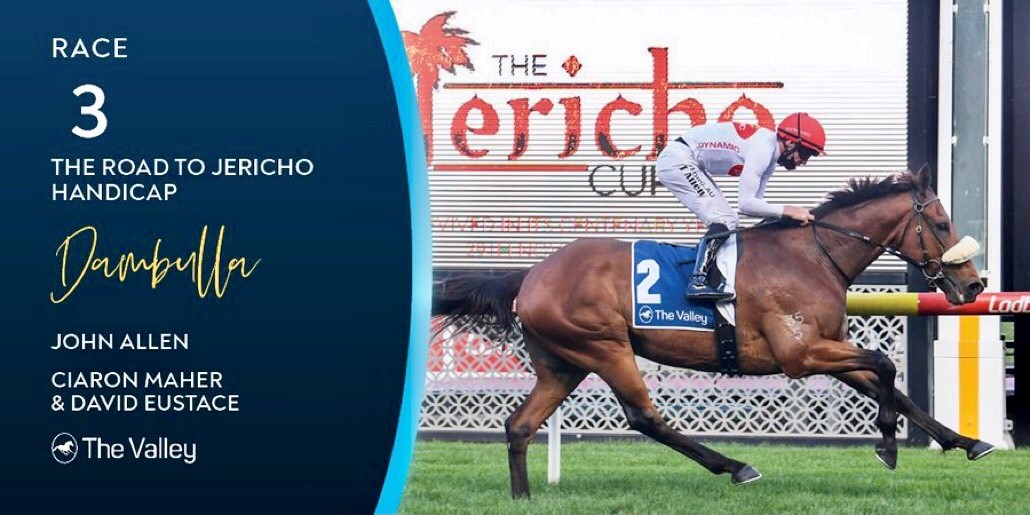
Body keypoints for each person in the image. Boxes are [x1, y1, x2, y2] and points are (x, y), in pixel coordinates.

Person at [656, 113, 825, 302]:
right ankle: (697, 281)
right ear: (790, 143)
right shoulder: (763, 148)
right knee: (723, 220)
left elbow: (755, 206)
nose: (804, 161)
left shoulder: (770, 158)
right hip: (677, 160)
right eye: (805, 154)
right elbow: (745, 204)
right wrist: (787, 210)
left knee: (730, 222)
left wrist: (784, 216)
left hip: (686, 159)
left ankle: (711, 276)